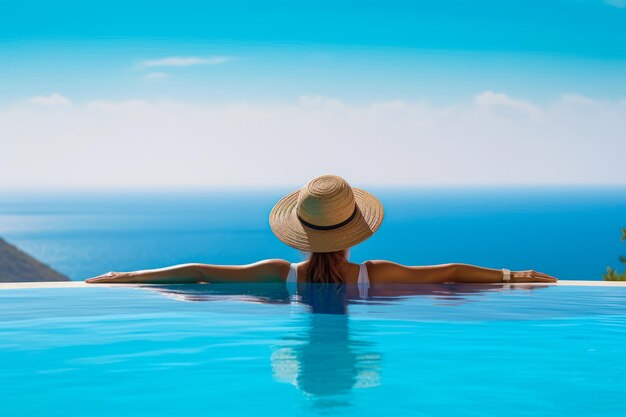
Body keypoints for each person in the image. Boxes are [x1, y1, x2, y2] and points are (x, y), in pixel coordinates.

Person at [86, 174, 557, 286]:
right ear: (353, 232)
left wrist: (126, 278)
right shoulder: (376, 274)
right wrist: (511, 276)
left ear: (301, 231)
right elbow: (449, 273)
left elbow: (198, 273)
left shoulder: (279, 273)